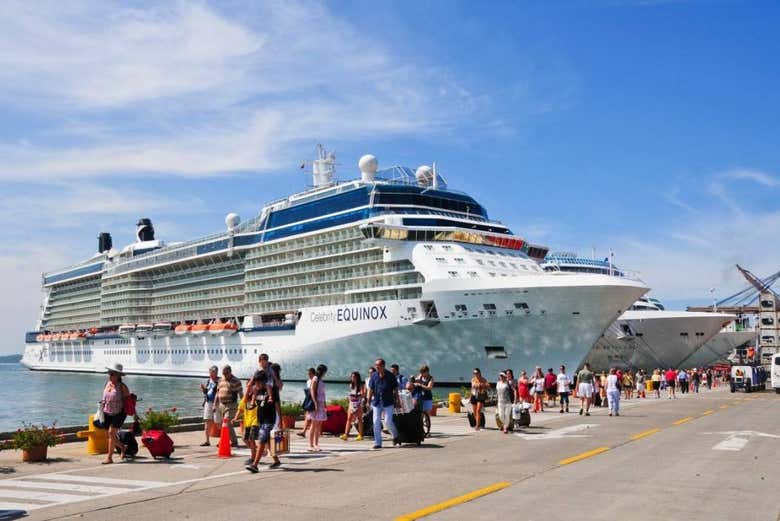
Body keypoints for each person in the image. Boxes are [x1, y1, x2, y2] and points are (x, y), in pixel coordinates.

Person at [245, 370, 282, 472]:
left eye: (259, 383)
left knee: (261, 441)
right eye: (256, 383)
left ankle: (255, 465)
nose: (257, 384)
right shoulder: (257, 390)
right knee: (268, 442)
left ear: (264, 381)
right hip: (261, 419)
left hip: (270, 420)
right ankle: (276, 461)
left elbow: (277, 406)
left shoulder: (272, 390)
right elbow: (248, 397)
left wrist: (281, 420)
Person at [366, 358, 400, 448]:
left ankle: (395, 435)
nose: (377, 367)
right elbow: (370, 389)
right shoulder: (373, 376)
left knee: (388, 421)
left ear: (383, 366)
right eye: (376, 365)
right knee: (376, 421)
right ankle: (378, 443)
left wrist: (397, 400)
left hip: (388, 402)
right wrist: (368, 400)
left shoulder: (390, 376)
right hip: (377, 402)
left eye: (378, 365)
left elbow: (395, 389)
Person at [100, 363, 130, 464]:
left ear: (118, 375)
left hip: (119, 413)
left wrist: (134, 414)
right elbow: (104, 398)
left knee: (111, 433)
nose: (110, 375)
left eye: (112, 373)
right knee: (109, 435)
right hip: (106, 412)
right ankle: (123, 447)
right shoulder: (107, 383)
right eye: (109, 373)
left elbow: (129, 402)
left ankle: (109, 458)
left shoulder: (122, 387)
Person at [215, 365, 243, 448]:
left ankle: (228, 441)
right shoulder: (220, 380)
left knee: (227, 423)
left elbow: (241, 394)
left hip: (231, 405)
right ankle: (228, 441)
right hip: (221, 404)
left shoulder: (236, 381)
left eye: (226, 373)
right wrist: (214, 404)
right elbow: (218, 392)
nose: (224, 375)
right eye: (223, 373)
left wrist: (242, 406)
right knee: (222, 424)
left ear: (230, 372)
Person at [235, 373, 260, 465]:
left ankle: (253, 458)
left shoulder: (257, 397)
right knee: (244, 439)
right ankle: (256, 451)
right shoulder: (245, 399)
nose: (249, 389)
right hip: (247, 422)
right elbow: (240, 409)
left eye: (251, 386)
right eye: (248, 387)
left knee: (251, 439)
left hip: (255, 421)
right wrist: (236, 417)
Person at [308, 364, 328, 452]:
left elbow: (322, 393)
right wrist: (315, 402)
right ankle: (311, 444)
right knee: (314, 424)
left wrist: (324, 403)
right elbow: (312, 390)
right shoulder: (315, 379)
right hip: (317, 402)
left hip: (321, 402)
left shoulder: (319, 379)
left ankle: (316, 444)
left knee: (318, 424)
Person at [340, 371, 365, 441]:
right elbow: (350, 393)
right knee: (349, 419)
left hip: (358, 403)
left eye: (354, 377)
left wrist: (357, 395)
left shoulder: (361, 385)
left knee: (359, 419)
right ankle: (346, 434)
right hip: (352, 403)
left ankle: (360, 434)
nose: (352, 378)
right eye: (352, 377)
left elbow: (363, 395)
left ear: (357, 377)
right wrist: (349, 397)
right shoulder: (351, 385)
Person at [199, 365, 219, 446]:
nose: (210, 374)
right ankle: (207, 441)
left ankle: (221, 440)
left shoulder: (219, 381)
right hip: (208, 402)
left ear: (216, 372)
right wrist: (203, 389)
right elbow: (207, 392)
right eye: (210, 372)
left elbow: (219, 392)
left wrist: (215, 403)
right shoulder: (209, 380)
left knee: (218, 422)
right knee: (207, 421)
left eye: (212, 372)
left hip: (216, 403)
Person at [297, 367, 316, 438]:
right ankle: (304, 431)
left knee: (310, 416)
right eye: (308, 374)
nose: (309, 375)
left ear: (313, 373)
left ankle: (305, 431)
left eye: (310, 374)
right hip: (308, 399)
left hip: (313, 400)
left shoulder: (315, 380)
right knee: (307, 416)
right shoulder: (308, 381)